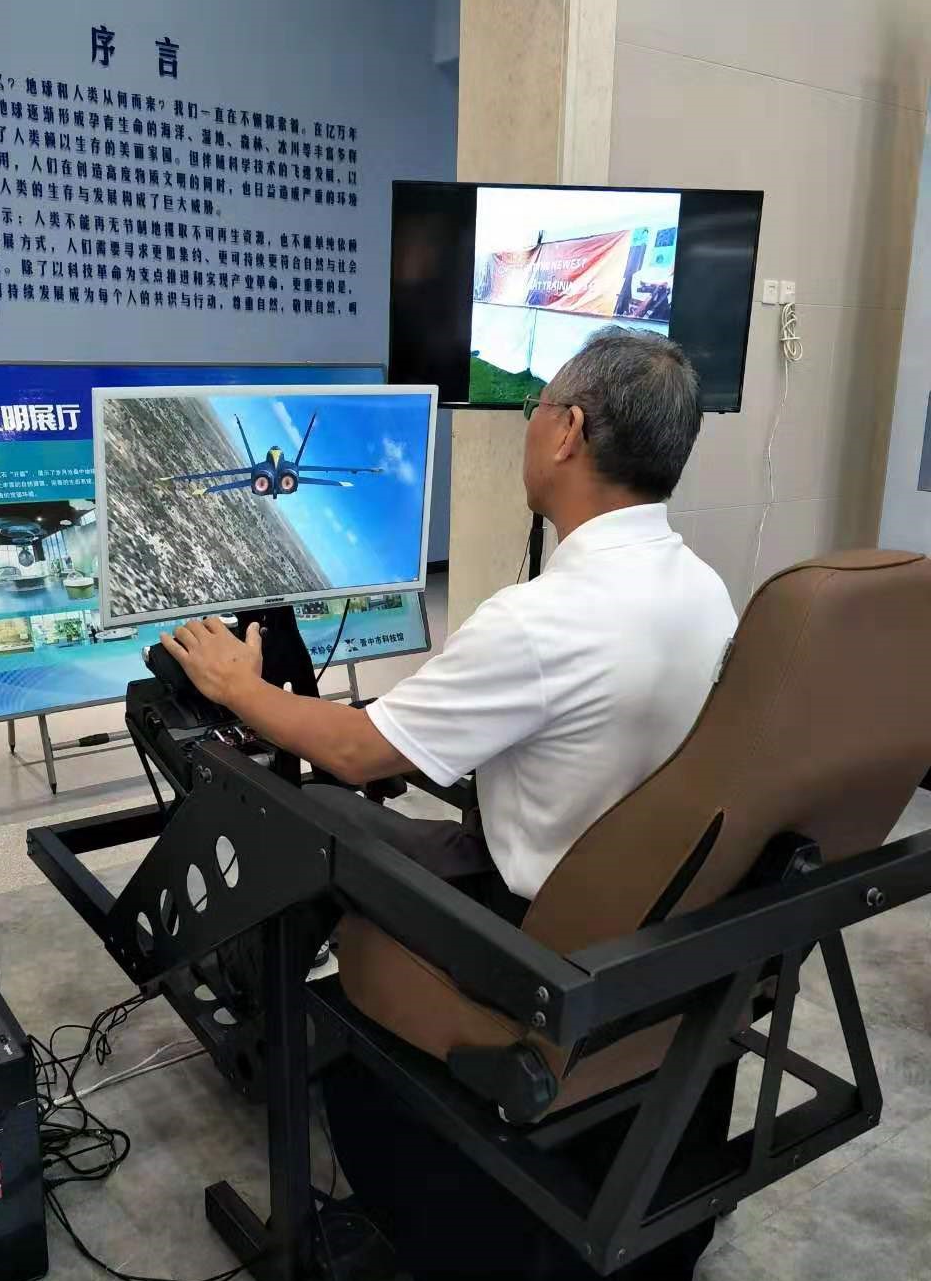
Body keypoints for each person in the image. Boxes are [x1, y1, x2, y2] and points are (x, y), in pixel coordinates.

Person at [161, 326, 737, 918]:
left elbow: (356, 752)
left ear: (568, 432)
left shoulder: (535, 622)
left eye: (534, 408)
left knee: (312, 806)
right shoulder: (708, 591)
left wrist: (237, 686)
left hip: (525, 922)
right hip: (635, 903)